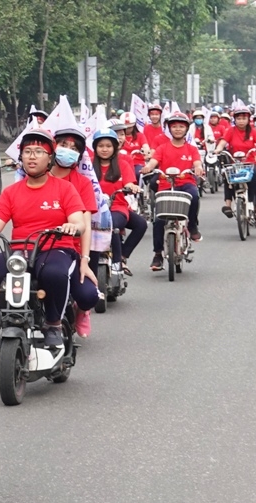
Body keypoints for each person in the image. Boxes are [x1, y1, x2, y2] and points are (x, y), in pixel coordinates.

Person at [0, 128, 95, 349]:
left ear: (50, 158)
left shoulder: (66, 189)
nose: (32, 156)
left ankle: (53, 324)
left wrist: (71, 226)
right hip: (20, 252)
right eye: (27, 151)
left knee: (54, 273)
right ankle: (8, 324)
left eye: (38, 151)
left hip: (57, 248)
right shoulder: (11, 192)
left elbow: (80, 222)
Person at [141, 112, 204, 271]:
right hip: (166, 185)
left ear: (186, 129)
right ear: (169, 129)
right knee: (159, 220)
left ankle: (193, 226)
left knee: (195, 196)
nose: (177, 129)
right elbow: (154, 162)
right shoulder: (162, 148)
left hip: (186, 184)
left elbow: (197, 163)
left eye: (181, 126)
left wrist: (198, 168)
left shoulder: (191, 149)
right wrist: (148, 167)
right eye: (174, 126)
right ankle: (157, 254)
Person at [49, 126, 97, 337]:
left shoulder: (82, 183)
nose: (67, 150)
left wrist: (85, 260)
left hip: (73, 250)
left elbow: (85, 225)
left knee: (88, 296)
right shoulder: (35, 177)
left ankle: (81, 311)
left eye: (73, 148)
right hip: (37, 248)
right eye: (63, 145)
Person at [92, 128, 145, 275]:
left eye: (108, 146)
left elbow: (129, 182)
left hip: (117, 207)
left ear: (115, 147)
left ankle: (119, 259)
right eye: (101, 146)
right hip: (93, 210)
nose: (104, 149)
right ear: (95, 148)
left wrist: (132, 187)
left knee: (122, 225)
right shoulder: (87, 166)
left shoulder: (123, 164)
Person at [215, 106, 256, 224]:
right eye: (239, 118)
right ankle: (228, 205)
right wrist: (218, 149)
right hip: (235, 164)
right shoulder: (230, 131)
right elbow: (222, 143)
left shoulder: (252, 131)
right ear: (235, 119)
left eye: (244, 118)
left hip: (250, 163)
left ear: (248, 119)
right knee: (227, 177)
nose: (241, 121)